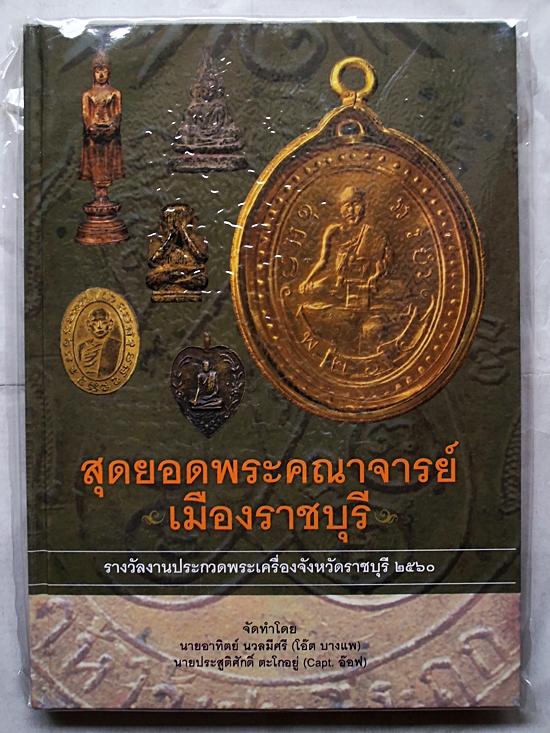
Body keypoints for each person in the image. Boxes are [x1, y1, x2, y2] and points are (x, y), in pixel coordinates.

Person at [299, 186, 391, 310]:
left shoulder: (374, 234)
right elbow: (323, 261)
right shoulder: (333, 231)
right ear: (340, 209)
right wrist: (307, 280)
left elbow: (380, 266)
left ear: (364, 206)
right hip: (339, 283)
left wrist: (374, 278)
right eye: (346, 205)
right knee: (313, 289)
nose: (351, 210)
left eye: (355, 204)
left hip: (364, 284)